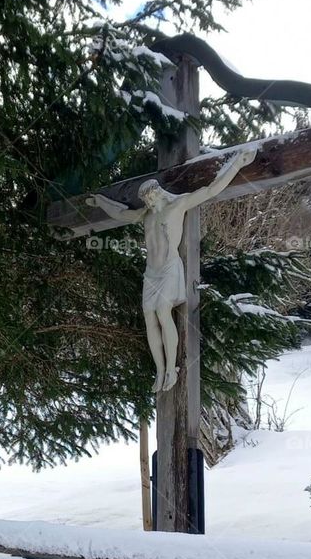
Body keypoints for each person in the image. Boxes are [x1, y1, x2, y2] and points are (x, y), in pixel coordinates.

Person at [88, 150, 247, 392]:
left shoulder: (178, 203)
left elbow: (211, 190)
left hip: (170, 267)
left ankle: (171, 368)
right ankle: (160, 370)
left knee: (164, 311)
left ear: (158, 192)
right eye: (146, 201)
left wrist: (237, 163)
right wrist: (99, 200)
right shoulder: (145, 214)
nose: (149, 203)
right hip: (151, 272)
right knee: (149, 315)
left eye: (150, 198)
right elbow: (119, 212)